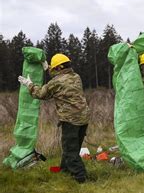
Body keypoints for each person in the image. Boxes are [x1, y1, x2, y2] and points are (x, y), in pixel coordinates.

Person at [18, 53, 90, 183]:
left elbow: (41, 94)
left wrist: (29, 84)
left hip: (70, 120)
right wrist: (48, 68)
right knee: (72, 148)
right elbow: (60, 78)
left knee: (70, 151)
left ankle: (81, 177)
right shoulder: (75, 76)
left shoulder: (56, 82)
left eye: (54, 68)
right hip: (83, 119)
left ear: (58, 68)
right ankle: (65, 170)